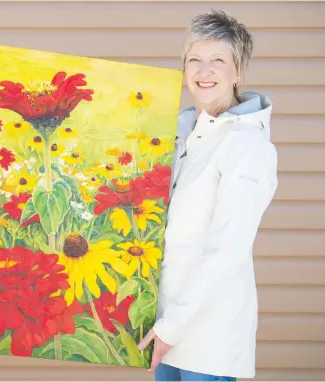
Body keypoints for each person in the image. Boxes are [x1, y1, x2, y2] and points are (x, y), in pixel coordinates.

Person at [137, 9, 278, 381]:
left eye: (218, 60)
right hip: (163, 327)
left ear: (238, 72)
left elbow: (227, 251)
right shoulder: (181, 135)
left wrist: (173, 326)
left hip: (209, 338)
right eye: (195, 60)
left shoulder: (245, 145)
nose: (204, 71)